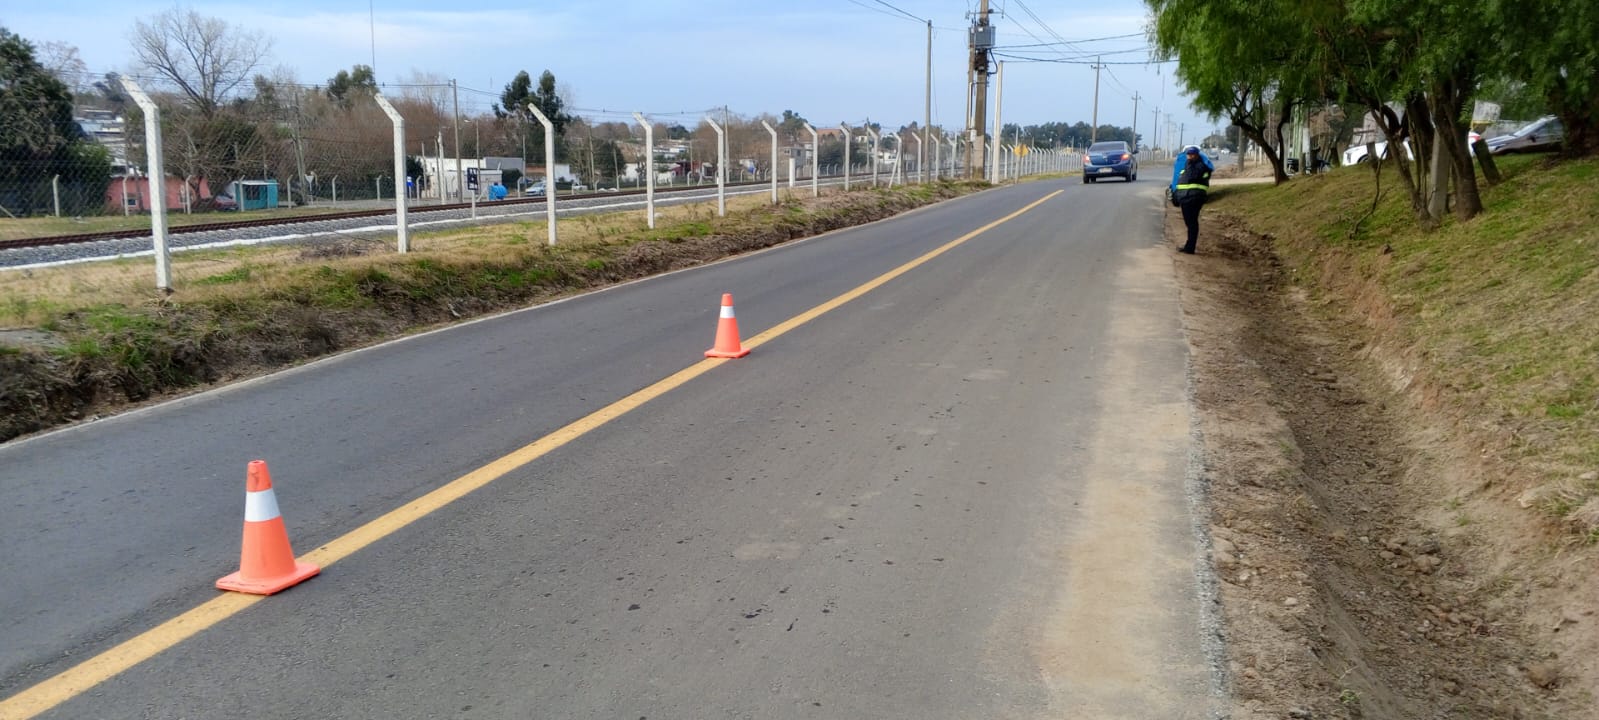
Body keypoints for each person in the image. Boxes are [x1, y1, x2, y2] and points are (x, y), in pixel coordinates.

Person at [1169, 145, 1214, 254]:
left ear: (1197, 155)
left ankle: (1190, 247)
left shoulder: (1199, 165)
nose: (1190, 156)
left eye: (1192, 154)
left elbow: (1192, 176)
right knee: (1190, 222)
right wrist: (1175, 193)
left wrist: (1189, 163)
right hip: (1186, 197)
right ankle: (1189, 245)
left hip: (1194, 198)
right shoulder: (1190, 164)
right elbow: (1180, 179)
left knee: (1191, 222)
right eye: (1189, 154)